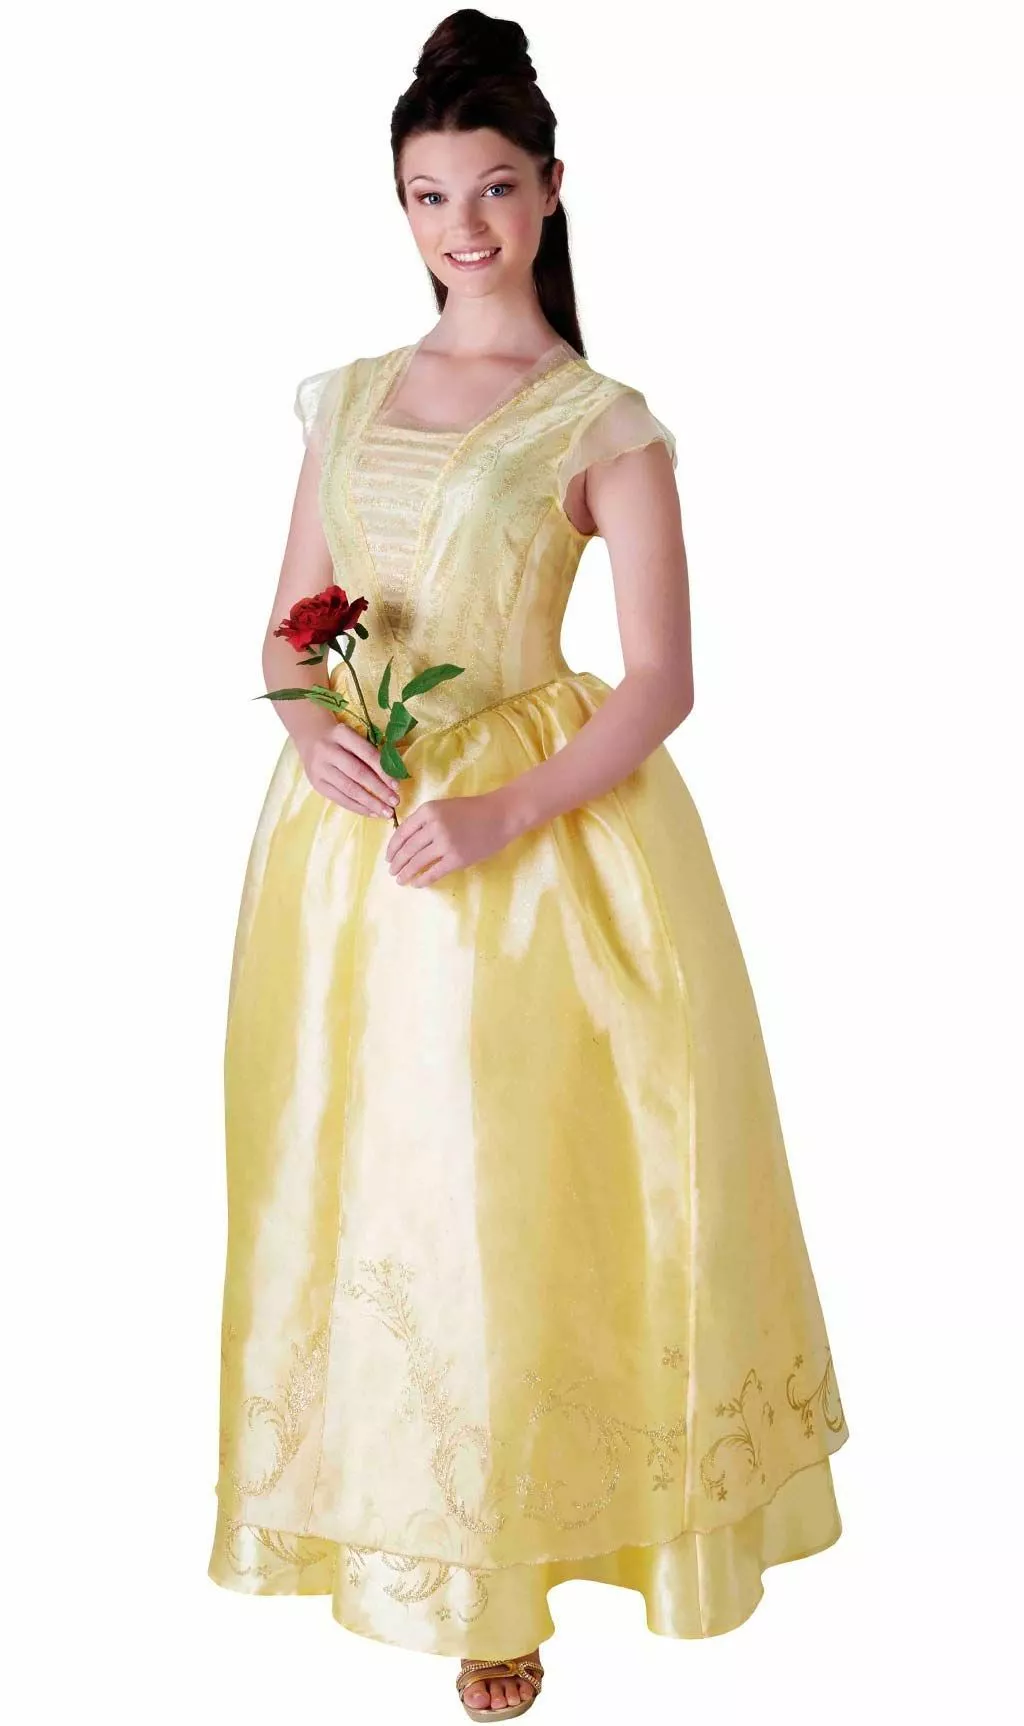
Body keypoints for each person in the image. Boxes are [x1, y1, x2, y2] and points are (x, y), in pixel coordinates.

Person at [207, 9, 850, 1718]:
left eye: (494, 187)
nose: (464, 226)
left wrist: (505, 810)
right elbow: (285, 627)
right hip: (351, 860)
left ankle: (518, 1574)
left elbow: (661, 680)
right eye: (430, 195)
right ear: (399, 205)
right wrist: (307, 730)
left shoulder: (597, 422)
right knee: (364, 1181)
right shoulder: (349, 397)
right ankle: (415, 1531)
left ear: (553, 189)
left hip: (533, 858)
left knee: (514, 1189)